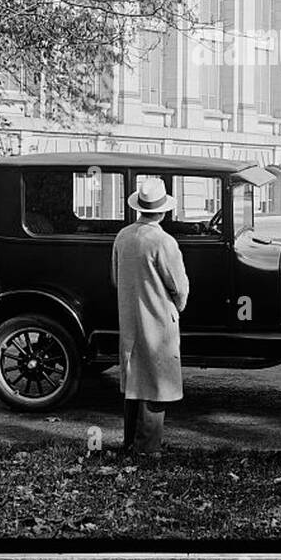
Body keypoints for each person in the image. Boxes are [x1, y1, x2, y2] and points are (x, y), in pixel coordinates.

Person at [111, 177, 190, 455]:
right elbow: (179, 287)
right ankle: (148, 447)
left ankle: (131, 440)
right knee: (157, 382)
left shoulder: (122, 237)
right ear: (163, 210)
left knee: (134, 380)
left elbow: (115, 277)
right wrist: (177, 307)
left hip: (129, 317)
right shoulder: (163, 242)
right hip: (158, 318)